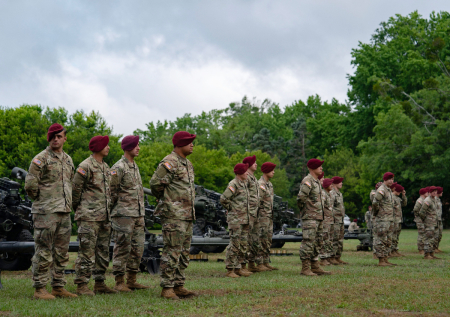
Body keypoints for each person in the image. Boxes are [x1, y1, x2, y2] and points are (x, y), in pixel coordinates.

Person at [24, 123, 77, 299]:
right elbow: (30, 185)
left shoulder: (68, 159)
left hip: (64, 211)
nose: (56, 139)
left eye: (59, 136)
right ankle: (40, 289)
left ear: (64, 138)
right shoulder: (41, 159)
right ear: (49, 138)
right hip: (46, 211)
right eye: (53, 136)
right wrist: (44, 200)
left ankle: (58, 287)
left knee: (62, 252)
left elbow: (70, 183)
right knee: (44, 250)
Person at [150, 131, 197, 299]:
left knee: (184, 252)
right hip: (173, 214)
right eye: (189, 142)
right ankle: (167, 288)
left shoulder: (187, 164)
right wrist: (167, 200)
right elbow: (155, 183)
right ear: (180, 144)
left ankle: (179, 285)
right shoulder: (170, 162)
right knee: (172, 251)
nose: (192, 144)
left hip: (186, 214)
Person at [72, 136, 117, 295]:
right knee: (86, 252)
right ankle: (82, 285)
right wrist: (81, 209)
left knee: (103, 251)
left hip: (104, 217)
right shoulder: (85, 166)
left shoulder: (105, 167)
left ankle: (100, 283)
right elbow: (75, 190)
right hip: (89, 217)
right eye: (106, 145)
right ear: (98, 147)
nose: (108, 148)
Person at [110, 135, 149, 293]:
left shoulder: (134, 166)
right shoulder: (118, 167)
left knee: (137, 248)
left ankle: (132, 280)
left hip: (138, 214)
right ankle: (119, 282)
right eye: (136, 145)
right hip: (123, 215)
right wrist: (114, 212)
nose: (138, 148)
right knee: (122, 247)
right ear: (127, 148)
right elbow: (111, 192)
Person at [297, 159, 331, 276]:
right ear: (312, 168)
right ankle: (305, 268)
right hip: (310, 217)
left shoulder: (316, 182)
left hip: (318, 217)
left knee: (317, 242)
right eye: (319, 166)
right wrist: (306, 211)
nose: (321, 168)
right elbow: (301, 198)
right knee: (308, 241)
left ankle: (315, 265)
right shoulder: (308, 181)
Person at [220, 163, 252, 278]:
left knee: (243, 244)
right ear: (239, 173)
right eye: (245, 171)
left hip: (244, 219)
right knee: (235, 244)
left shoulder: (243, 184)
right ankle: (230, 269)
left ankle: (238, 268)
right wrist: (231, 209)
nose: (247, 173)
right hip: (236, 219)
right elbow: (224, 198)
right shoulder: (233, 184)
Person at [243, 156, 265, 273]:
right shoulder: (245, 177)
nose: (256, 164)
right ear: (248, 164)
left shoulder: (253, 178)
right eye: (254, 163)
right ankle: (242, 265)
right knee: (245, 239)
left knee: (254, 239)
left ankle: (251, 263)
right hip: (248, 212)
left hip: (255, 213)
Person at [372, 172, 397, 266]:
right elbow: (375, 202)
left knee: (388, 240)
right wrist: (377, 212)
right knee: (381, 239)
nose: (391, 181)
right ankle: (381, 260)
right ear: (385, 180)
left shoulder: (388, 190)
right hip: (382, 219)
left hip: (389, 219)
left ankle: (385, 258)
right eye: (389, 179)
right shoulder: (382, 189)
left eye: (392, 179)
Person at [257, 162, 278, 271]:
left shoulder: (269, 184)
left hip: (268, 216)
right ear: (266, 171)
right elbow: (257, 202)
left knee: (268, 239)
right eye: (272, 170)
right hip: (262, 217)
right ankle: (259, 262)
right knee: (261, 239)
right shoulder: (260, 184)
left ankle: (265, 261)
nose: (273, 172)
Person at [419, 186, 440, 260]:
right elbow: (421, 212)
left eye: (435, 191)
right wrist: (425, 220)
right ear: (430, 192)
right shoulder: (427, 200)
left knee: (433, 239)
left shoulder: (434, 199)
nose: (434, 192)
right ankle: (427, 255)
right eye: (433, 191)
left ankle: (432, 253)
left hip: (434, 222)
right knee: (429, 238)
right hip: (429, 222)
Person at [331, 176, 348, 264]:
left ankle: (338, 257)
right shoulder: (332, 193)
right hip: (335, 220)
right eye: (339, 182)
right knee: (335, 238)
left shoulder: (339, 193)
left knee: (340, 239)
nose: (341, 183)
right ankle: (332, 257)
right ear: (334, 183)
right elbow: (330, 207)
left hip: (340, 220)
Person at [319, 178, 336, 266]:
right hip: (325, 220)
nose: (332, 186)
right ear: (326, 185)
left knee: (329, 240)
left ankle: (328, 256)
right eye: (330, 184)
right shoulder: (323, 194)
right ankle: (323, 258)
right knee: (324, 239)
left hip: (330, 220)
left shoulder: (329, 194)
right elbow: (321, 208)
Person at [391, 184, 406, 257]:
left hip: (399, 219)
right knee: (393, 235)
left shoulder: (397, 198)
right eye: (399, 191)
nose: (400, 192)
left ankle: (395, 250)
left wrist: (403, 195)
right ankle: (392, 251)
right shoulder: (392, 197)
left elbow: (404, 204)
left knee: (396, 236)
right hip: (394, 220)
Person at [413, 188, 429, 254]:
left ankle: (423, 248)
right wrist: (418, 216)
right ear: (423, 193)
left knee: (424, 233)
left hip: (423, 219)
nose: (427, 193)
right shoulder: (420, 200)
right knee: (421, 234)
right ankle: (420, 249)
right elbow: (415, 209)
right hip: (420, 220)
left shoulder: (424, 200)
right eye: (426, 192)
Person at [435, 187, 444, 253]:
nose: (442, 192)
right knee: (435, 234)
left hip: (439, 219)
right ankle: (434, 248)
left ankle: (436, 247)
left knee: (439, 234)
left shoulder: (438, 199)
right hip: (434, 219)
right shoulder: (434, 199)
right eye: (441, 191)